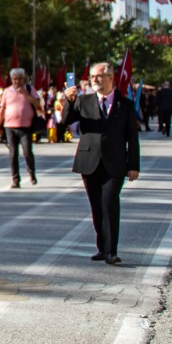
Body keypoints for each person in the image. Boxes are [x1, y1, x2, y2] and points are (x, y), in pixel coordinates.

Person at [61, 63, 140, 265]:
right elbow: (65, 121)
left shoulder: (126, 105)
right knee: (97, 207)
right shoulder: (83, 101)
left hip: (115, 163)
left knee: (109, 204)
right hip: (89, 162)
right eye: (93, 76)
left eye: (99, 76)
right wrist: (68, 101)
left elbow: (132, 137)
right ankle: (102, 248)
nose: (95, 79)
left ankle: (111, 251)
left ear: (111, 77)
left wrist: (134, 165)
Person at [0, 68, 39, 188]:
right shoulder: (6, 91)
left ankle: (31, 172)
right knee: (13, 154)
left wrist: (26, 95)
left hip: (25, 126)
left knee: (27, 152)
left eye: (19, 79)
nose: (17, 81)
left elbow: (37, 103)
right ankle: (15, 179)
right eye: (14, 79)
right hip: (9, 126)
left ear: (24, 79)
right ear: (11, 79)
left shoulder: (29, 89)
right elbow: (2, 109)